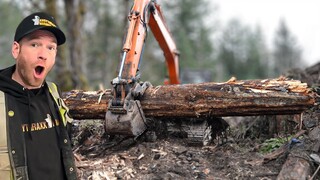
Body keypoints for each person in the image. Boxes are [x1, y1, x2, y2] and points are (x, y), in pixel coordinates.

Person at [0, 12, 78, 180]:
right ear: (16, 49)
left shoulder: (53, 93)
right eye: (35, 45)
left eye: (51, 47)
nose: (43, 54)